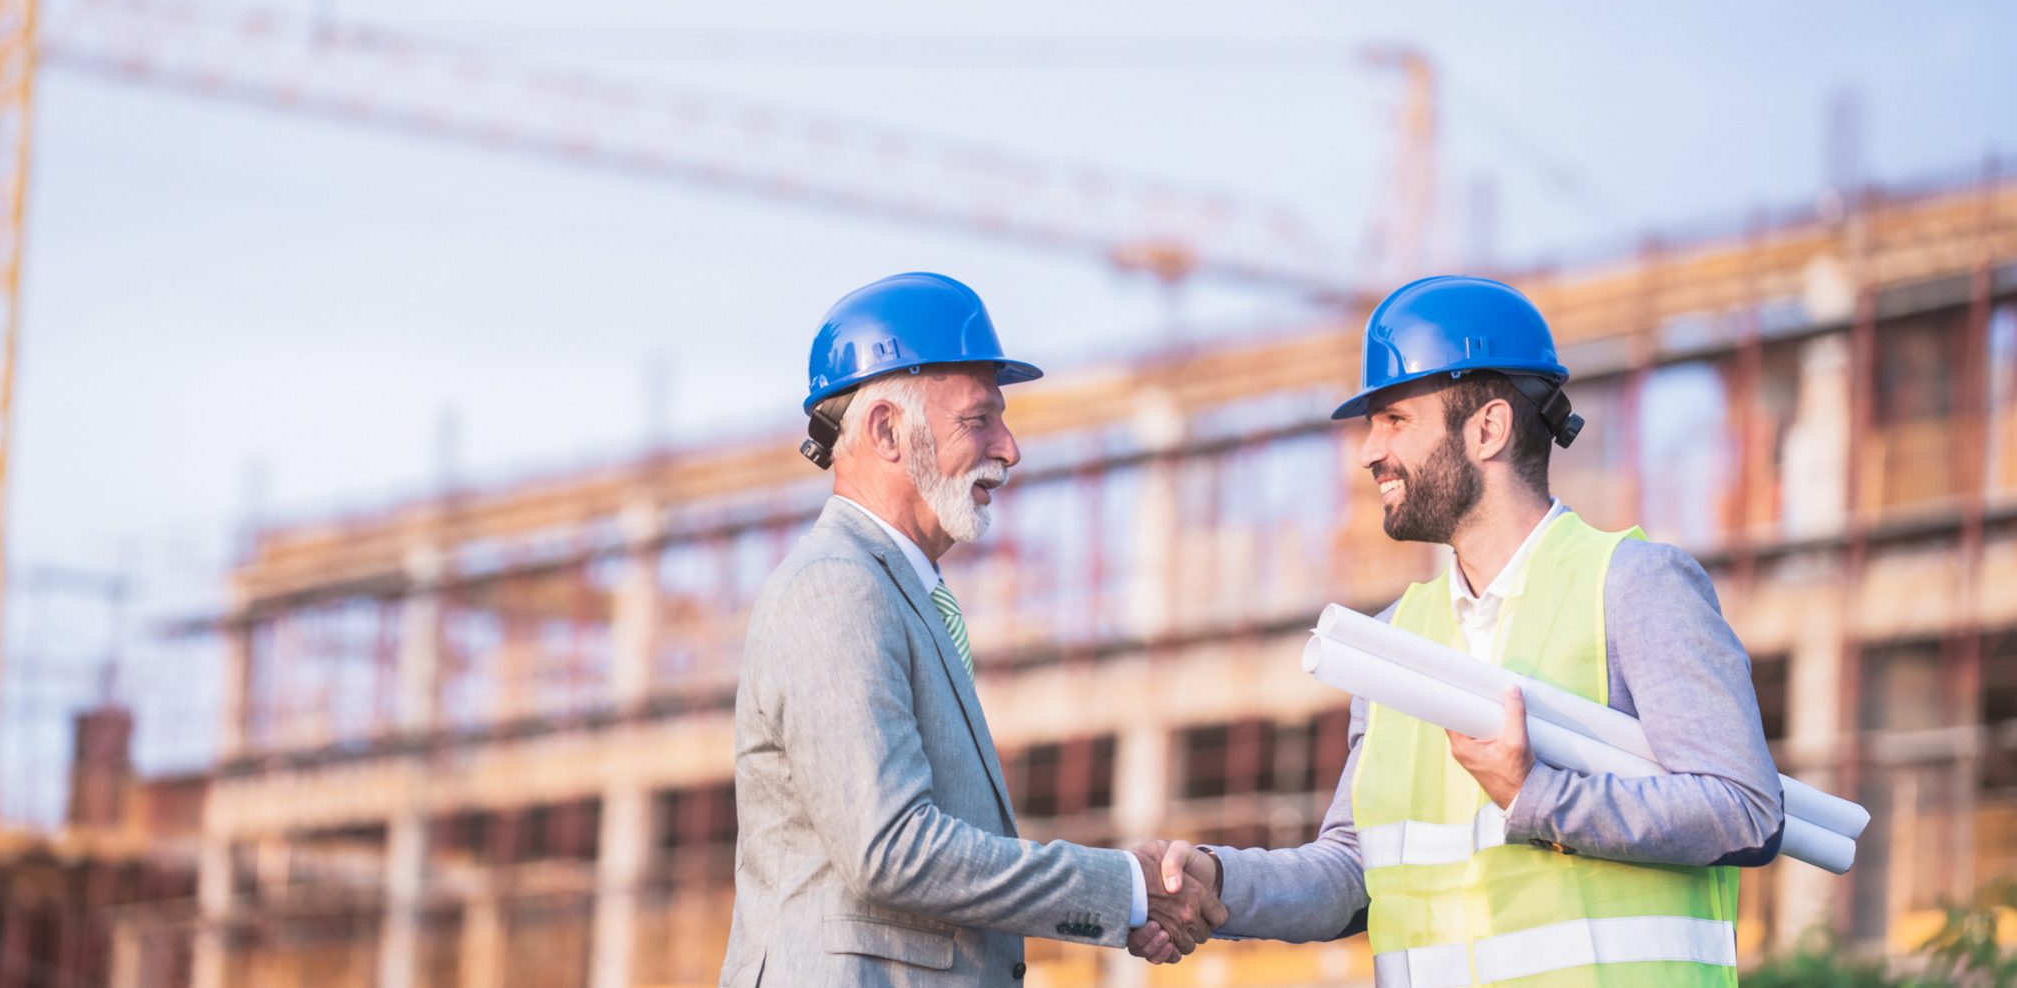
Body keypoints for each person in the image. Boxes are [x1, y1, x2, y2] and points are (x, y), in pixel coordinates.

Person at [1130, 275, 1785, 986]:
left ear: (1488, 428)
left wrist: (1538, 796)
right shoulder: (1392, 644)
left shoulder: (1634, 586)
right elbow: (1354, 872)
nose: (1368, 452)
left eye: (1395, 420)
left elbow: (1745, 809)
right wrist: (1219, 882)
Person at [721, 271, 1225, 986]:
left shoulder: (895, 591)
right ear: (886, 430)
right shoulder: (837, 587)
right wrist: (1127, 886)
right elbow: (893, 850)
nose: (1009, 448)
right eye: (977, 420)